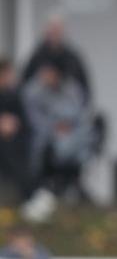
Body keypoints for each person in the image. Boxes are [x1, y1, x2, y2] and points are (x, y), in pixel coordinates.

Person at [21, 57, 94, 198]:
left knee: (79, 141)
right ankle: (46, 184)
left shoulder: (72, 89)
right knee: (50, 145)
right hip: (45, 135)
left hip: (71, 132)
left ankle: (71, 183)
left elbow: (79, 113)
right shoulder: (33, 91)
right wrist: (53, 127)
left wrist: (67, 125)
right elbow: (33, 118)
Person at [23, 14, 91, 99]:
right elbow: (24, 87)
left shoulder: (73, 58)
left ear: (63, 31)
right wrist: (41, 80)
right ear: (46, 31)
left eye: (57, 29)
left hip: (67, 102)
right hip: (41, 102)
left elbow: (84, 89)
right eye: (52, 29)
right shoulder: (36, 57)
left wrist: (60, 80)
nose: (55, 33)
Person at [0, 59, 31, 201]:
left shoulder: (15, 96)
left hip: (14, 140)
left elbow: (24, 121)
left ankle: (25, 194)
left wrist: (14, 124)